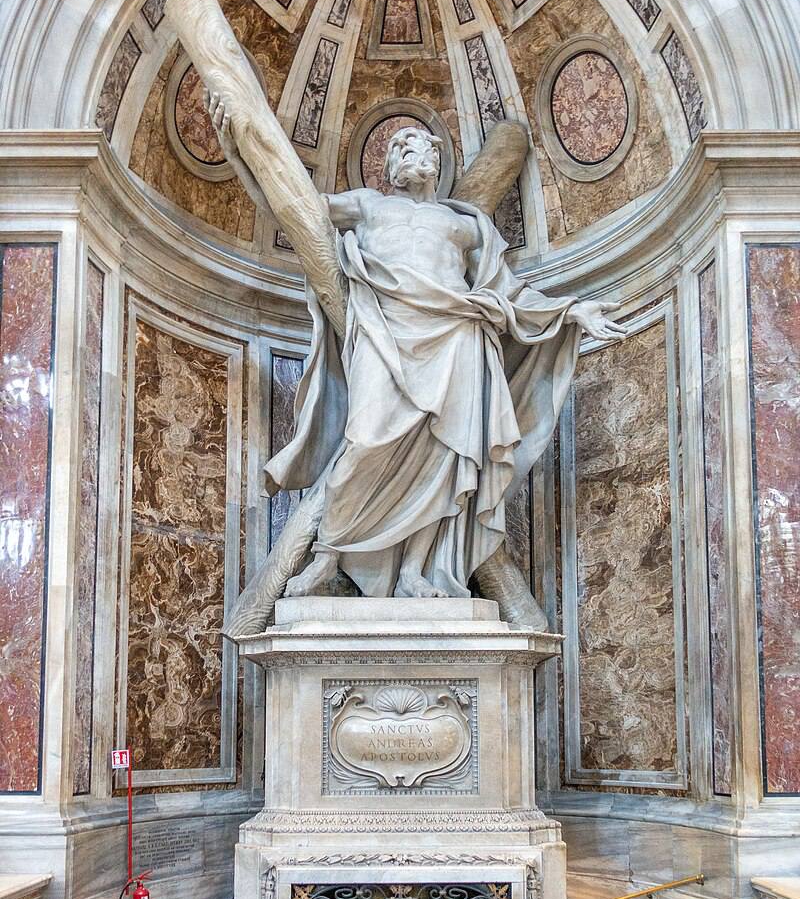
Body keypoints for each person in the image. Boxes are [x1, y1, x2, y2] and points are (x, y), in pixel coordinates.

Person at [207, 94, 625, 600]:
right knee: (364, 441)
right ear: (388, 167)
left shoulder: (466, 224)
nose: (412, 151)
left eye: (421, 145)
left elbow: (507, 291)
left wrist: (571, 311)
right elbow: (289, 207)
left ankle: (414, 573)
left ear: (436, 162)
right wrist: (237, 151)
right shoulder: (368, 205)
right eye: (401, 147)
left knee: (448, 457)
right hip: (386, 333)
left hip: (456, 337)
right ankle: (326, 557)